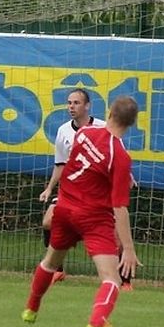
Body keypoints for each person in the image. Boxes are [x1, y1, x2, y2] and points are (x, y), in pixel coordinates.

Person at [21, 95, 143, 327]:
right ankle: (96, 324)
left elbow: (79, 166)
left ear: (110, 113)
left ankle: (31, 309)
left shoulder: (84, 134)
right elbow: (119, 207)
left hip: (65, 209)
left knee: (50, 262)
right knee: (111, 279)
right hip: (93, 217)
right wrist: (128, 249)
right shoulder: (120, 156)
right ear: (132, 123)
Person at [38, 88, 106, 286]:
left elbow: (115, 154)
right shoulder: (63, 131)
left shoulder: (102, 128)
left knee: (113, 232)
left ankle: (124, 280)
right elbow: (60, 164)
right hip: (71, 189)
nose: (71, 107)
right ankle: (57, 270)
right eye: (69, 103)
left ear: (87, 106)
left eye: (76, 103)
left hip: (96, 190)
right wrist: (49, 188)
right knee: (48, 222)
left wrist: (125, 175)